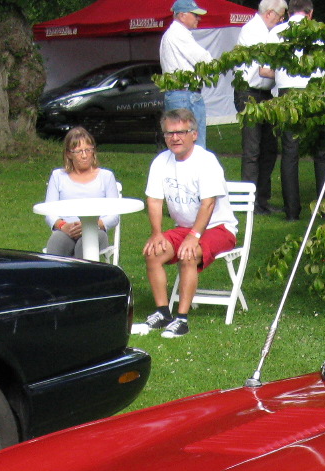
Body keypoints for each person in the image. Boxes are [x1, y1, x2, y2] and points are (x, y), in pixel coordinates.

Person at [141, 108, 237, 339]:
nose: (175, 138)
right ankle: (163, 312)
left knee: (188, 254)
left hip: (218, 226)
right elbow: (154, 200)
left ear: (194, 134)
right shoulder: (160, 162)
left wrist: (193, 237)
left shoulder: (206, 161)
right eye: (169, 133)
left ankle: (182, 319)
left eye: (181, 132)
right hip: (184, 227)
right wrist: (157, 234)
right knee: (154, 253)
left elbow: (208, 204)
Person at [272, 0, 325, 220]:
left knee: (290, 152)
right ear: (310, 13)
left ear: (289, 12)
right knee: (322, 152)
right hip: (314, 91)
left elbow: (268, 67)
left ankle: (291, 212)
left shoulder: (277, 31)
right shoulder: (320, 32)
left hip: (287, 93)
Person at [234, 0, 287, 214]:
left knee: (269, 148)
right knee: (253, 149)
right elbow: (264, 70)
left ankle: (261, 201)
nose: (282, 20)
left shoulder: (264, 31)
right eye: (281, 16)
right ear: (270, 14)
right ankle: (249, 202)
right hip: (249, 93)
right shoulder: (253, 31)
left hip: (264, 93)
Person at [41, 127, 123, 259]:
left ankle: (83, 278)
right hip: (66, 229)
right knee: (56, 241)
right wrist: (63, 226)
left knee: (85, 245)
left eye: (88, 150)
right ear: (69, 154)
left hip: (96, 230)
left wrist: (91, 225)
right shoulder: (58, 176)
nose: (84, 155)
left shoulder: (106, 176)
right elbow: (49, 211)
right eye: (79, 151)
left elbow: (114, 216)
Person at [160, 0, 214, 148]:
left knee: (179, 144)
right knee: (193, 145)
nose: (198, 18)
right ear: (182, 15)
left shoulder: (172, 34)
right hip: (185, 95)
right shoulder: (179, 34)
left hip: (178, 94)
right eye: (195, 14)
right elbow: (204, 60)